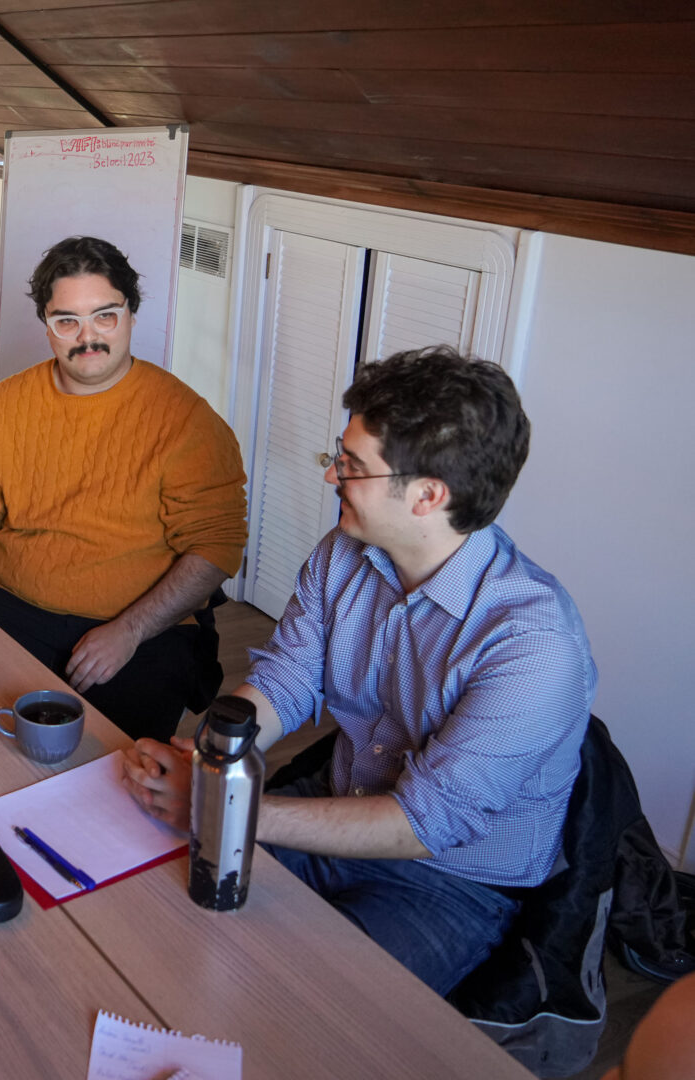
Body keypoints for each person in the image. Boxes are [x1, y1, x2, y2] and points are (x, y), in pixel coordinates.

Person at [121, 346, 597, 997]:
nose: (331, 476)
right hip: (337, 807)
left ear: (428, 495)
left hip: (448, 880)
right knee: (161, 908)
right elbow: (288, 679)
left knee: (297, 1002)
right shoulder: (345, 552)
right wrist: (213, 758)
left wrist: (223, 807)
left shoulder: (535, 643)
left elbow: (425, 824)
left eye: (351, 465)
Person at [0, 235, 248, 743]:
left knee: (113, 761)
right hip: (13, 606)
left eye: (105, 316)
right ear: (47, 327)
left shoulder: (189, 423)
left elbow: (216, 546)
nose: (87, 337)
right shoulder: (1, 408)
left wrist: (130, 631)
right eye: (67, 321)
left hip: (143, 627)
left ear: (131, 315)